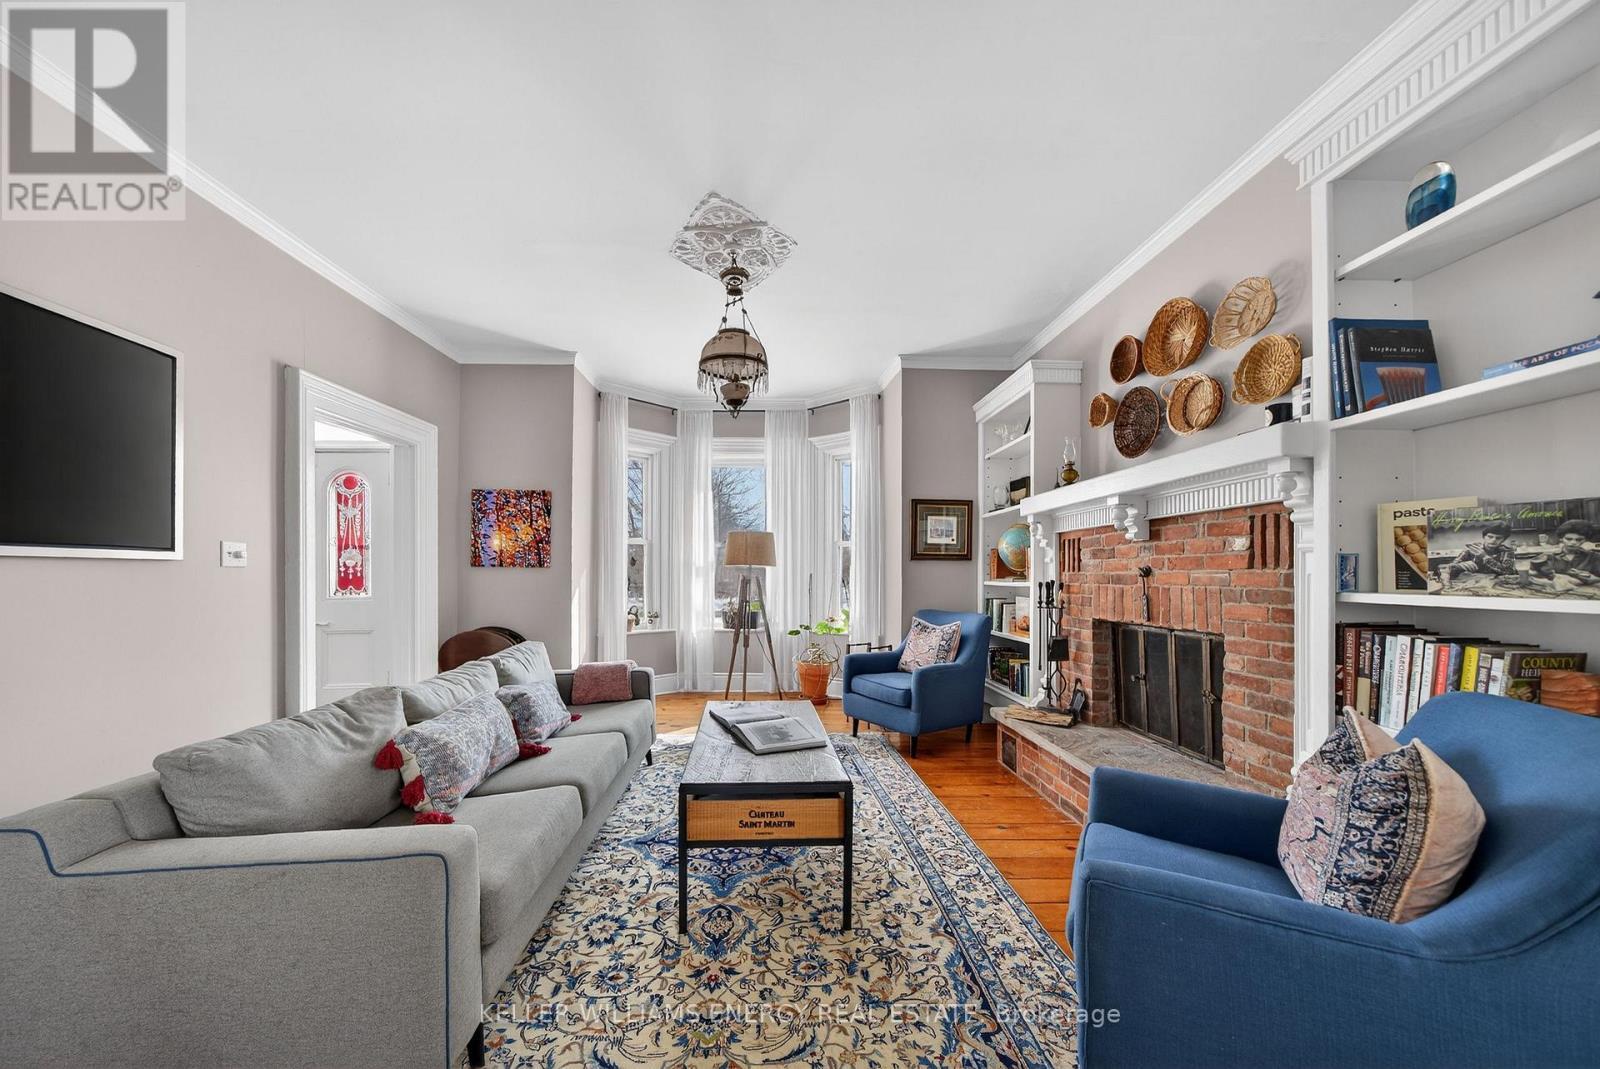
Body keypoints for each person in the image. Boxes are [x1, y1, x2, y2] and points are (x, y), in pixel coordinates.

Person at [1529, 519, 1600, 594]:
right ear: (1561, 538)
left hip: (1588, 594)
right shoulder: (1549, 556)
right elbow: (1532, 575)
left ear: (1585, 540)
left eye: (1579, 540)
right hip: (1555, 595)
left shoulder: (1593, 557)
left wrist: (1588, 578)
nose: (1573, 542)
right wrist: (1556, 577)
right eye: (1568, 539)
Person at [1438, 522, 1517, 588]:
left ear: (1503, 540)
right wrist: (1463, 566)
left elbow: (1508, 572)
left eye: (1498, 538)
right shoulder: (1473, 548)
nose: (1493, 540)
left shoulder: (1507, 551)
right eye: (1490, 537)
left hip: (1497, 585)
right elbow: (1452, 567)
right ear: (1484, 537)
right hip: (1472, 584)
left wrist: (1484, 556)